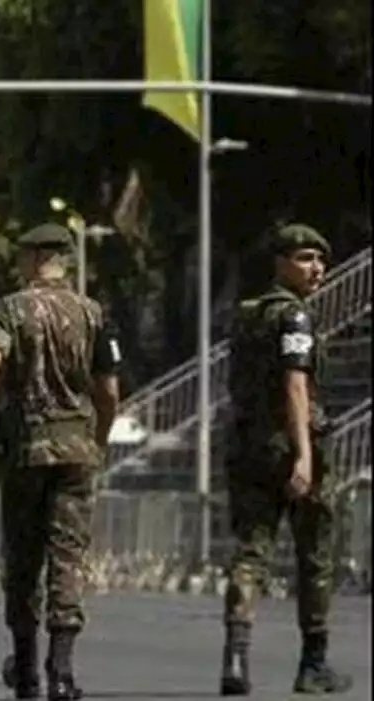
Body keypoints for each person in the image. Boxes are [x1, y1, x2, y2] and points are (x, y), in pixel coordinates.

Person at [0, 223, 120, 701]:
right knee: (68, 557)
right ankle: (62, 671)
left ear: (37, 258)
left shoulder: (11, 309)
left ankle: (27, 668)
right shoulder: (93, 313)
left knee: (23, 558)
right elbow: (109, 390)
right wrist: (96, 438)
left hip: (26, 447)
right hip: (77, 447)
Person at [220, 224, 352, 696]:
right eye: (304, 258)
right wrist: (303, 454)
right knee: (314, 555)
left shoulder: (246, 314)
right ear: (279, 262)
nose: (316, 268)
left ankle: (235, 657)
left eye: (320, 259)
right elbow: (295, 384)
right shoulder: (295, 318)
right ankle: (313, 663)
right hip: (292, 446)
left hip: (248, 446)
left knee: (250, 552)